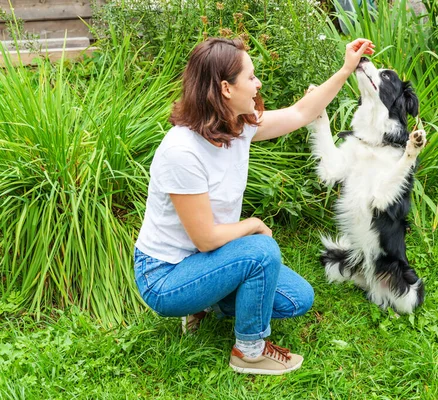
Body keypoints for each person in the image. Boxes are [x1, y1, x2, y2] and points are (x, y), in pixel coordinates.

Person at [133, 36, 375, 375]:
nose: (258, 83)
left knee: (297, 299)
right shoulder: (182, 152)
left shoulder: (237, 126)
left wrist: (347, 68)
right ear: (226, 89)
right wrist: (253, 224)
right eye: (250, 77)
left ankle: (206, 302)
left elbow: (302, 112)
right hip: (166, 276)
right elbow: (204, 239)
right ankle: (249, 351)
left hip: (209, 260)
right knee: (260, 250)